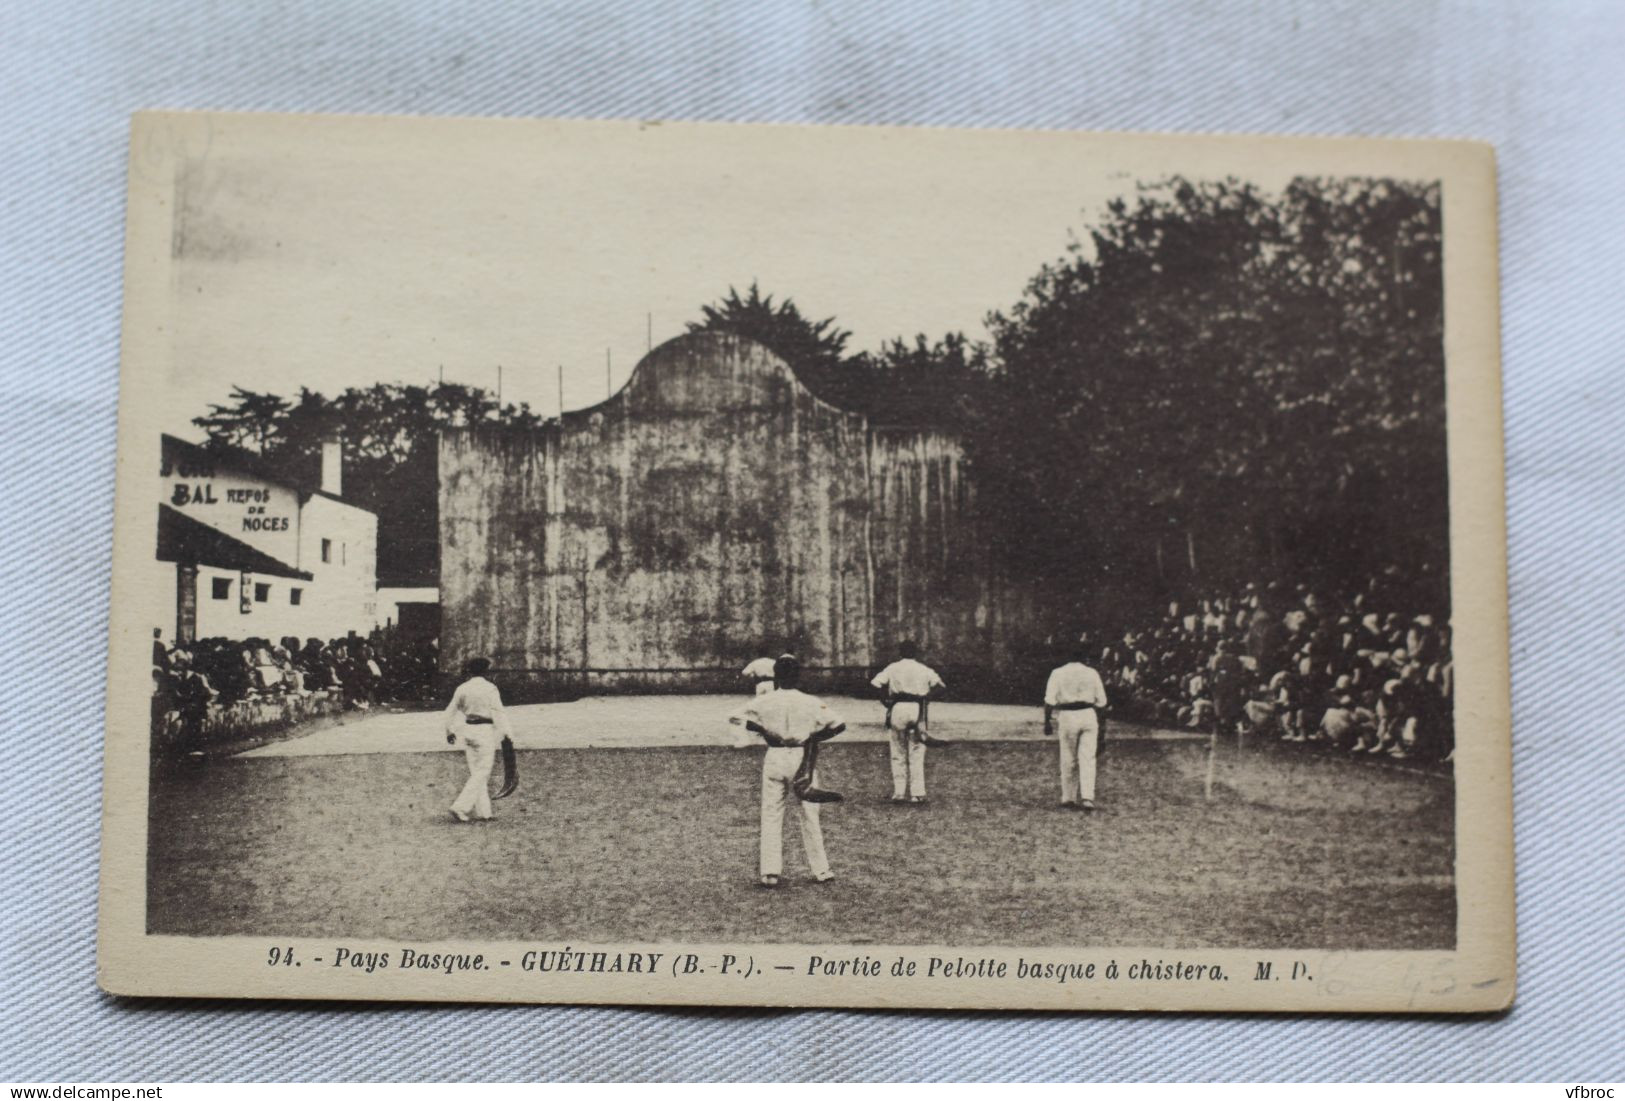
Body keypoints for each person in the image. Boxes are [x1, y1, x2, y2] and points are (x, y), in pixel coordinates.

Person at [729, 654, 846, 887]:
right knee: (810, 814)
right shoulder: (811, 701)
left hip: (775, 755)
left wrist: (763, 730)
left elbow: (735, 717)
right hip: (802, 757)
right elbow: (839, 725)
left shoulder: (765, 700)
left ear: (776, 676)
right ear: (798, 675)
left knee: (772, 812)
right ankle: (821, 870)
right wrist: (814, 737)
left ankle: (770, 872)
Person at [870, 640, 946, 804]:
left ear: (900, 652)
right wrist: (926, 698)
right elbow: (940, 686)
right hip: (917, 708)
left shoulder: (893, 667)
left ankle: (899, 793)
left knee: (897, 752)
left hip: (898, 707)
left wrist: (885, 701)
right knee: (917, 751)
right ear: (916, 652)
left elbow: (875, 684)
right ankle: (917, 794)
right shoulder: (923, 669)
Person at [442, 657, 513, 822]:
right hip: (484, 731)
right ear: (485, 671)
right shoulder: (490, 688)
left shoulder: (462, 688)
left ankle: (484, 812)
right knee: (482, 771)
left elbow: (449, 712)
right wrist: (507, 733)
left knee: (477, 772)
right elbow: (499, 712)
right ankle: (460, 807)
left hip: (468, 730)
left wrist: (449, 731)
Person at [1043, 643, 1110, 811]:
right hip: (1088, 714)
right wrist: (1102, 729)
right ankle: (1087, 798)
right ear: (1084, 657)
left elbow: (1049, 700)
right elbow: (1102, 702)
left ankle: (1068, 797)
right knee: (1088, 757)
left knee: (1068, 757)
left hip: (1067, 715)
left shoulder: (1058, 673)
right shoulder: (1092, 673)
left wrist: (1047, 722)